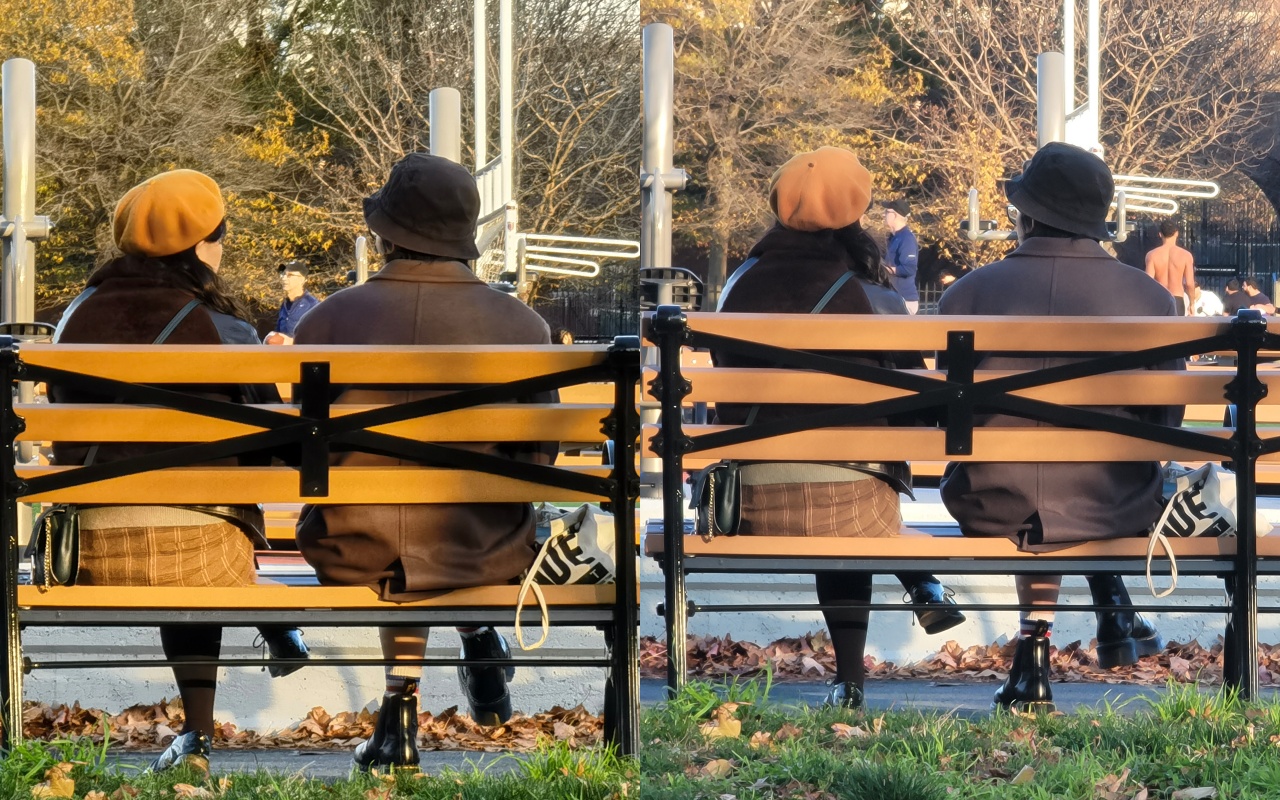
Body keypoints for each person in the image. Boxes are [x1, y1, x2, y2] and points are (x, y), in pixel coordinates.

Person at [292, 153, 555, 771]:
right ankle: (474, 634)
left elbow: (306, 447)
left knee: (392, 535)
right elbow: (540, 455)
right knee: (436, 530)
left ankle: (399, 719)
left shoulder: (325, 320)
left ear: (388, 233)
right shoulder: (522, 326)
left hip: (350, 545)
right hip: (482, 545)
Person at [48, 169, 309, 771]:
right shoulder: (224, 327)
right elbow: (274, 438)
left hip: (94, 549)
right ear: (201, 246)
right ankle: (200, 727)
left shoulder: (75, 316)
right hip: (205, 552)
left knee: (178, 522)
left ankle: (203, 724)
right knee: (195, 526)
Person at [713, 146, 966, 710]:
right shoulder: (871, 294)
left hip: (752, 501)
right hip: (854, 501)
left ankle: (915, 587)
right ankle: (853, 676)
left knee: (838, 495)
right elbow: (919, 404)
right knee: (848, 503)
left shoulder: (737, 288)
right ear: (856, 208)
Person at [938, 143, 1181, 712]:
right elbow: (1167, 423)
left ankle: (1033, 664)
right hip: (1116, 501)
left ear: (1026, 215)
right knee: (1077, 490)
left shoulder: (967, 292)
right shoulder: (1150, 299)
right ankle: (1111, 607)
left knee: (1032, 497)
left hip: (990, 499)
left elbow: (948, 414)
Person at [1144, 220, 1195, 315]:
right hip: (1177, 299)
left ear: (1160, 234)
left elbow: (1148, 282)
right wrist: (1192, 303)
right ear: (1177, 233)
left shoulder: (1152, 255)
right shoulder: (1186, 255)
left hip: (1159, 298)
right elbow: (1189, 283)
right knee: (1176, 325)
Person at [264, 260, 320, 344]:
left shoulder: (312, 306)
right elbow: (280, 332)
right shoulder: (285, 305)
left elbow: (319, 338)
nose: (284, 278)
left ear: (303, 279)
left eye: (290, 275)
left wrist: (292, 342)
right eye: (283, 274)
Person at [882, 198, 920, 313]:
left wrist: (886, 269)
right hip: (893, 298)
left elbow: (909, 268)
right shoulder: (894, 237)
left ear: (894, 216)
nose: (884, 215)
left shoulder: (906, 238)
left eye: (887, 212)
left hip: (904, 300)